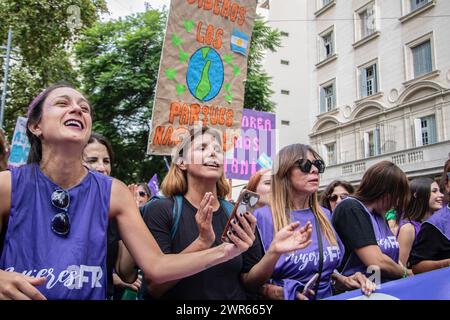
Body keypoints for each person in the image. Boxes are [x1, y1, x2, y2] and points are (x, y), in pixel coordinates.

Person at [0, 83, 261, 300]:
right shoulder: (8, 185)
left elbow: (157, 268)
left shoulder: (114, 192)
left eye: (84, 108)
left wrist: (225, 251)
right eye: (62, 103)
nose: (77, 109)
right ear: (36, 126)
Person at [141, 127, 313, 300]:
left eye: (218, 150)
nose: (213, 153)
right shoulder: (160, 210)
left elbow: (250, 282)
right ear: (181, 162)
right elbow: (155, 287)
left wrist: (274, 251)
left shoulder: (237, 212)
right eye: (202, 148)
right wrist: (202, 243)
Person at [254, 144, 375, 300]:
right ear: (285, 172)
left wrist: (345, 280)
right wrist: (277, 292)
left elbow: (326, 271)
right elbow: (248, 282)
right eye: (305, 165)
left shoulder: (326, 216)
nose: (315, 170)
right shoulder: (261, 218)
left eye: (318, 165)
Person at [82, 132, 142, 300]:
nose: (102, 167)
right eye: (92, 160)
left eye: (106, 161)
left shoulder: (114, 210)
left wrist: (132, 216)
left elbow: (126, 272)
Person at [332, 161, 412, 284]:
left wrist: (400, 268)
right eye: (397, 196)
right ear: (385, 192)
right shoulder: (351, 208)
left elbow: (391, 256)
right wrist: (406, 273)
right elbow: (376, 261)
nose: (396, 203)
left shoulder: (379, 214)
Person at [409, 160, 450, 274]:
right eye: (433, 191)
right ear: (447, 185)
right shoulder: (434, 225)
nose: (439, 196)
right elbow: (417, 267)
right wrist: (446, 263)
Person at [397, 178, 444, 267]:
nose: (441, 195)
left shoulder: (439, 224)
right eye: (434, 191)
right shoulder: (408, 229)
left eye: (440, 191)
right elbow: (400, 269)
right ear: (418, 196)